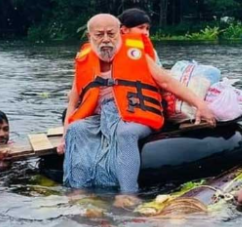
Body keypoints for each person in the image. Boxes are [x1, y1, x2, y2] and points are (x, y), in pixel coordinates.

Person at [59, 13, 215, 208]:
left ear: (120, 33)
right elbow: (73, 104)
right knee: (77, 130)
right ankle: (80, 191)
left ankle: (127, 193)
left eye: (111, 34)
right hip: (101, 117)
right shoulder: (85, 60)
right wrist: (65, 134)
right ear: (90, 37)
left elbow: (167, 81)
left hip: (137, 116)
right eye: (99, 35)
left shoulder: (137, 54)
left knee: (125, 133)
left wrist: (200, 104)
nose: (106, 39)